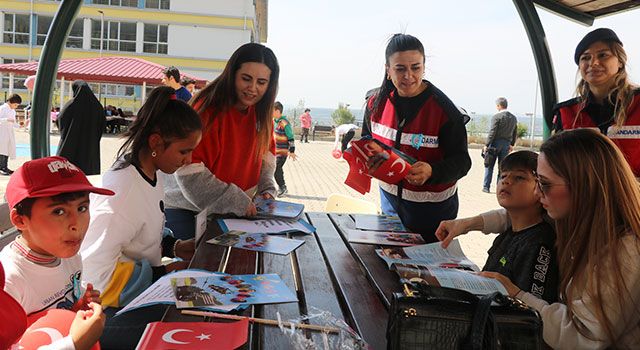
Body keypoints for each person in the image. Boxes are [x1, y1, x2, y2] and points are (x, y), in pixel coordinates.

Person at [445, 129, 640, 347]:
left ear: (584, 185)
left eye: (545, 184)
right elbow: (514, 217)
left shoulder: (626, 251)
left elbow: (581, 337)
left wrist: (516, 294)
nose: (538, 194)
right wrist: (467, 224)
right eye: (537, 181)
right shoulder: (579, 217)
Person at [80, 86, 201, 309]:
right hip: (110, 312)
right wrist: (160, 274)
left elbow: (140, 230)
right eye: (184, 151)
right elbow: (95, 275)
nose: (188, 160)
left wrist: (173, 246)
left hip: (137, 295)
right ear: (155, 142)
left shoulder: (151, 171)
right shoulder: (121, 194)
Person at [361, 33, 471, 242]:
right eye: (400, 68)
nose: (408, 76)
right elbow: (366, 141)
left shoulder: (445, 111)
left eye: (415, 67)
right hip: (389, 205)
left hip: (434, 215)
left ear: (424, 66)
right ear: (387, 70)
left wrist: (432, 171)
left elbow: (462, 162)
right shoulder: (374, 104)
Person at [163, 43, 279, 240]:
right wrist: (238, 201)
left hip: (234, 211)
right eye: (246, 79)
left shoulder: (262, 113)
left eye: (261, 82)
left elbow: (265, 158)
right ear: (232, 74)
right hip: (187, 210)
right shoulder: (207, 110)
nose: (253, 88)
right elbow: (190, 175)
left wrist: (266, 191)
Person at [437, 150, 558, 303]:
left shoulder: (539, 244)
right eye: (503, 176)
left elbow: (531, 312)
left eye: (519, 177)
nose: (506, 182)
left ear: (540, 188)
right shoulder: (507, 233)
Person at [0, 156, 113, 317]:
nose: (76, 224)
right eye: (59, 211)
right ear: (20, 220)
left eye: (82, 208)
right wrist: (75, 340)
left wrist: (79, 306)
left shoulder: (69, 254)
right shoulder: (10, 281)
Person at [553, 28, 640, 178]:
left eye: (603, 55)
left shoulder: (637, 104)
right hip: (582, 199)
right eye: (585, 58)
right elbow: (557, 165)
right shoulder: (566, 112)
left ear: (620, 62)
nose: (593, 63)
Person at [1, 261, 105, 350]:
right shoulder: (11, 277)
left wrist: (77, 309)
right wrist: (73, 344)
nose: (78, 236)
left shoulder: (71, 256)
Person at [57, 81, 106, 176]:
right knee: (88, 170)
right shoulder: (97, 106)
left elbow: (61, 119)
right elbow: (102, 124)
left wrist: (67, 132)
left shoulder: (71, 104)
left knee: (67, 170)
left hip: (70, 143)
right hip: (90, 144)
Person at [482, 97, 517, 193]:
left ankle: (486, 187)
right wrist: (512, 144)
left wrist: (486, 144)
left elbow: (492, 132)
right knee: (502, 167)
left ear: (499, 106)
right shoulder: (513, 118)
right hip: (506, 144)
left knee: (489, 165)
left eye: (496, 106)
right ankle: (499, 187)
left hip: (494, 144)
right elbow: (515, 132)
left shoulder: (496, 117)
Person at [272, 101, 296, 197]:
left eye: (272, 110)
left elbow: (290, 137)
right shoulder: (275, 122)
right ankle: (281, 187)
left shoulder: (284, 123)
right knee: (276, 169)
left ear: (278, 111)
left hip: (282, 152)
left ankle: (283, 187)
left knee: (277, 168)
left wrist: (292, 151)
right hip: (275, 151)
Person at [0, 94, 21, 175]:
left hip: (9, 133)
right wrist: (6, 120)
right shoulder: (2, 108)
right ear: (10, 102)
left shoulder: (12, 111)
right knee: (2, 150)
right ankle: (1, 167)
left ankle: (5, 167)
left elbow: (14, 123)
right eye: (15, 105)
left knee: (7, 150)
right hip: (2, 132)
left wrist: (21, 125)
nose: (16, 107)